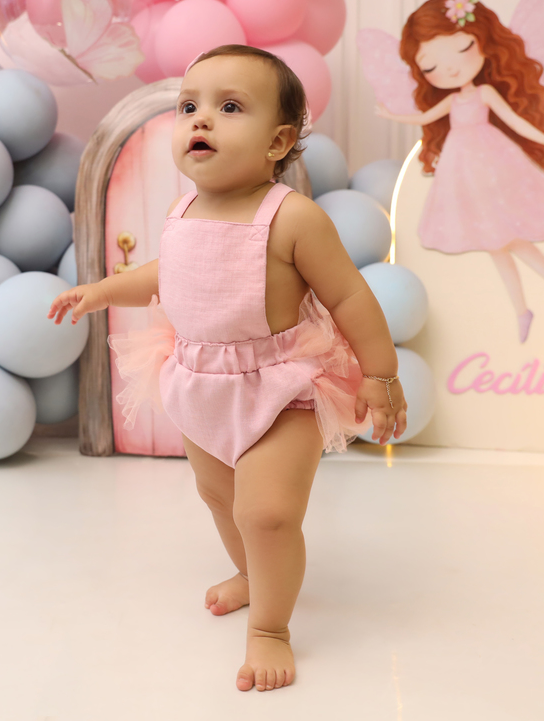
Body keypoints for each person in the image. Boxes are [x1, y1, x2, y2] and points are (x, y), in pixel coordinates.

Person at [47, 44, 406, 692]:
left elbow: (350, 296)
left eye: (230, 107)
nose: (201, 120)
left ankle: (271, 627)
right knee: (220, 497)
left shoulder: (292, 216)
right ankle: (251, 573)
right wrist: (100, 291)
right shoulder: (182, 211)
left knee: (267, 513)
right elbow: (166, 274)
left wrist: (380, 375)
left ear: (278, 142)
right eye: (190, 107)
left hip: (281, 385)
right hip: (198, 381)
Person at [371, 0, 544, 343]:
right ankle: (523, 310)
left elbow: (517, 123)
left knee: (511, 239)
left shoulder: (485, 93)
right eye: (431, 66)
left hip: (496, 164)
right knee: (496, 245)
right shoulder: (452, 101)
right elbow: (425, 117)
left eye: (462, 49)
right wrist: (391, 115)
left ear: (483, 43)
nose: (450, 68)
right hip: (464, 172)